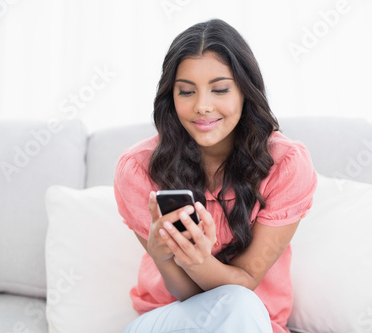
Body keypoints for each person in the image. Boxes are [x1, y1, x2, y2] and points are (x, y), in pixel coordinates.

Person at [114, 18, 317, 333]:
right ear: (171, 97)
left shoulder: (286, 165)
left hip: (251, 321)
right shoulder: (138, 169)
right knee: (237, 306)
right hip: (170, 319)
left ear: (245, 92)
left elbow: (246, 282)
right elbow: (187, 296)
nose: (202, 106)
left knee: (241, 305)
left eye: (220, 89)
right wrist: (165, 257)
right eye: (186, 92)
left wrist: (197, 260)